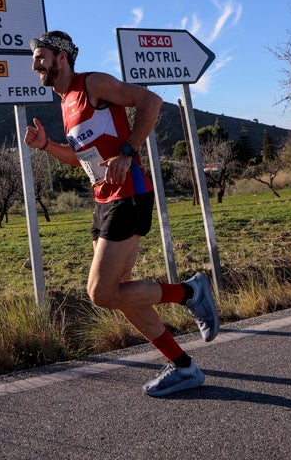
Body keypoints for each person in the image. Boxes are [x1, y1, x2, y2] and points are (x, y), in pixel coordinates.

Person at [25, 30, 219, 396]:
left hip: (128, 193)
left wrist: (128, 150)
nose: (35, 64)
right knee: (120, 292)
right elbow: (80, 158)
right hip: (103, 200)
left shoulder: (92, 84)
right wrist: (47, 145)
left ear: (61, 57)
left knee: (100, 292)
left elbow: (151, 100)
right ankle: (183, 366)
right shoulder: (66, 103)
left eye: (40, 57)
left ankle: (189, 293)